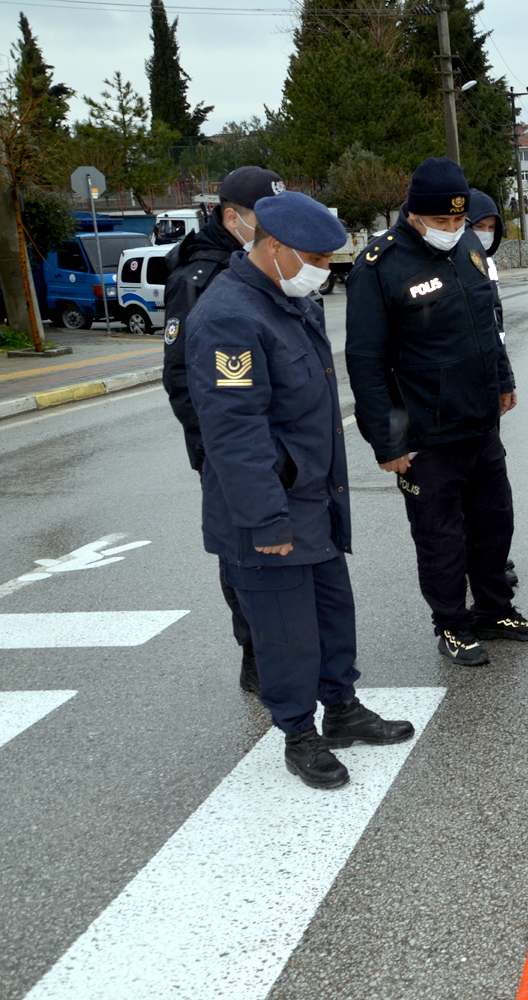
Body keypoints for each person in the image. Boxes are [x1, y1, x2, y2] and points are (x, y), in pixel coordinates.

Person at [186, 191, 414, 789]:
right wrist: (266, 522)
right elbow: (235, 435)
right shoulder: (229, 316)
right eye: (315, 257)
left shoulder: (292, 302)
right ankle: (299, 733)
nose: (323, 269)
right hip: (267, 510)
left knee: (332, 616)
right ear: (276, 248)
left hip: (313, 499)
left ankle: (341, 710)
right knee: (284, 631)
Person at [346, 157, 528, 667]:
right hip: (425, 432)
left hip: (480, 421)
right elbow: (366, 363)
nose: (452, 231)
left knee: (494, 521)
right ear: (414, 214)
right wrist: (387, 443)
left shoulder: (469, 247)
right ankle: (453, 625)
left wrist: (502, 381)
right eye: (442, 222)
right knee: (441, 537)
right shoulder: (379, 266)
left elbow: (488, 322)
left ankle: (495, 610)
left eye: (459, 221)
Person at [162, 165, 285, 697]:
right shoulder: (200, 278)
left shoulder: (257, 265)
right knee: (242, 551)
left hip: (273, 441)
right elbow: (182, 379)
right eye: (266, 218)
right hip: (227, 447)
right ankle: (255, 654)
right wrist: (217, 450)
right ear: (232, 217)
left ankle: (284, 644)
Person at [466, 189, 520, 589]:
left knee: (491, 486)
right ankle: (476, 558)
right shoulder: (458, 264)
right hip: (460, 392)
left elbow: (494, 331)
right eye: (477, 227)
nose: (485, 235)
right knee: (467, 486)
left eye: (490, 228)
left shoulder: (488, 264)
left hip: (488, 383)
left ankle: (493, 558)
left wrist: (504, 380)